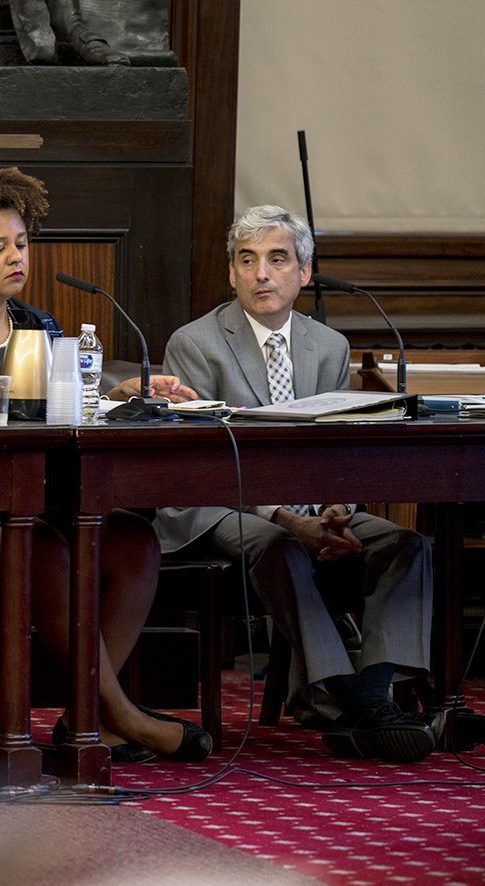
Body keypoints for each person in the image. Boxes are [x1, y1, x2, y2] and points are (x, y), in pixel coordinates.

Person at [0, 161, 211, 762]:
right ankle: (119, 715)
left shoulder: (42, 325)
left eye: (22, 244)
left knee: (136, 542)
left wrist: (118, 396)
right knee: (45, 546)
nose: (15, 257)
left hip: (38, 498)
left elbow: (65, 412)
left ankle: (81, 716)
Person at [157, 205, 437, 763]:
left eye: (277, 259)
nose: (263, 273)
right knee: (279, 545)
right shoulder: (196, 342)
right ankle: (334, 692)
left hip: (310, 505)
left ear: (304, 273)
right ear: (232, 274)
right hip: (218, 506)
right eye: (248, 260)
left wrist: (334, 508)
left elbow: (333, 450)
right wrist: (292, 519)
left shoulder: (328, 346)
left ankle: (374, 688)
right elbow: (205, 463)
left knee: (409, 545)